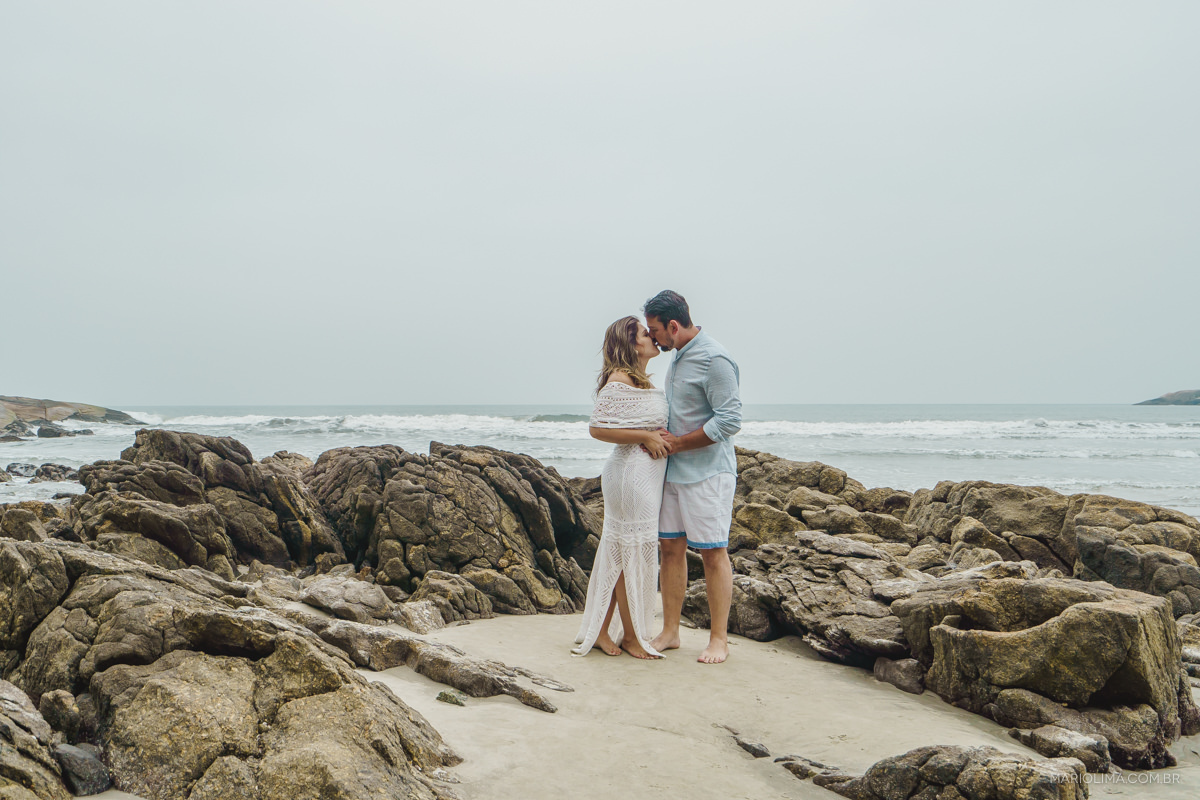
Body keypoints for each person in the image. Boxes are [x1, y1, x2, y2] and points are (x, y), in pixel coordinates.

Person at [644, 290, 741, 664]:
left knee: (714, 553)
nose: (653, 338)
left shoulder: (714, 358)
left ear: (673, 325)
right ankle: (670, 631)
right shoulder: (678, 355)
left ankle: (719, 640)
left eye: (655, 331)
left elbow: (730, 420)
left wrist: (680, 444)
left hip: (708, 475)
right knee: (670, 549)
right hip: (672, 473)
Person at [572, 316, 672, 659]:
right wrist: (645, 436)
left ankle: (602, 630)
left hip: (644, 477)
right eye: (646, 334)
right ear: (631, 343)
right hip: (630, 476)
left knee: (622, 554)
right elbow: (598, 428)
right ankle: (630, 636)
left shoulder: (641, 380)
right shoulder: (620, 378)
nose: (653, 337)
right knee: (629, 555)